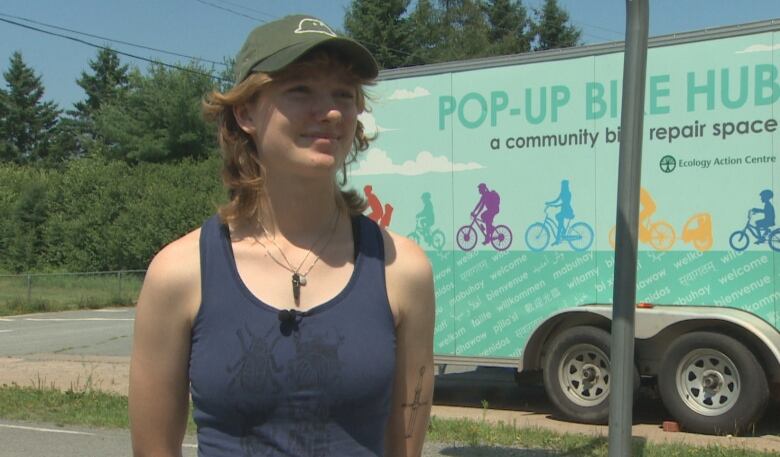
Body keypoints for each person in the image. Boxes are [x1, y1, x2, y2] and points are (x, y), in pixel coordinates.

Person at [129, 15, 435, 457]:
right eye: (300, 90)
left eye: (343, 95)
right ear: (245, 112)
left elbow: (404, 448)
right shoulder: (179, 274)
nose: (329, 111)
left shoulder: (401, 269)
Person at [545, 180, 574, 245]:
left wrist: (556, 206)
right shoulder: (562, 193)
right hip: (563, 211)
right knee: (558, 219)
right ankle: (562, 231)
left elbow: (566, 203)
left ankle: (557, 240)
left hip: (567, 211)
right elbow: (556, 200)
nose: (561, 186)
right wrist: (549, 203)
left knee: (559, 224)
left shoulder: (568, 193)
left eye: (562, 185)